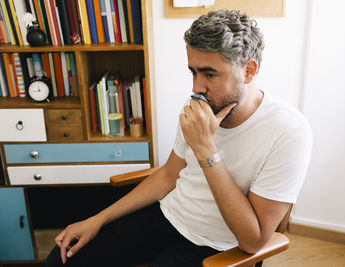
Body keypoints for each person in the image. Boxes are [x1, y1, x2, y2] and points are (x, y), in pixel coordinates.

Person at [46, 8, 313, 267]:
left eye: (210, 74)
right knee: (62, 258)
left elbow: (253, 241)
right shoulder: (199, 104)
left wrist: (206, 150)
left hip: (220, 246)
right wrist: (98, 220)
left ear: (249, 71)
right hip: (169, 215)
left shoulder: (288, 132)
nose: (196, 87)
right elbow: (168, 175)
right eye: (193, 72)